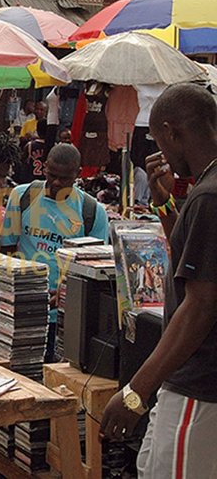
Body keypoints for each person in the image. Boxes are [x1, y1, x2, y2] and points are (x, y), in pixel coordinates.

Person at [100, 84, 217, 478]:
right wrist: (165, 204)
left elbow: (201, 304)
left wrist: (136, 391)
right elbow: (197, 261)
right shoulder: (205, 192)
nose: (160, 153)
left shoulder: (208, 198)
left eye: (158, 141)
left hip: (199, 387)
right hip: (191, 386)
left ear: (172, 131)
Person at [0, 143, 109, 361]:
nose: (56, 183)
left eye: (65, 178)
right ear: (44, 167)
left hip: (65, 318)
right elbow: (6, 250)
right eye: (52, 175)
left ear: (77, 174)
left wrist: (65, 295)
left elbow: (95, 268)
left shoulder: (92, 211)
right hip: (21, 309)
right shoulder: (22, 196)